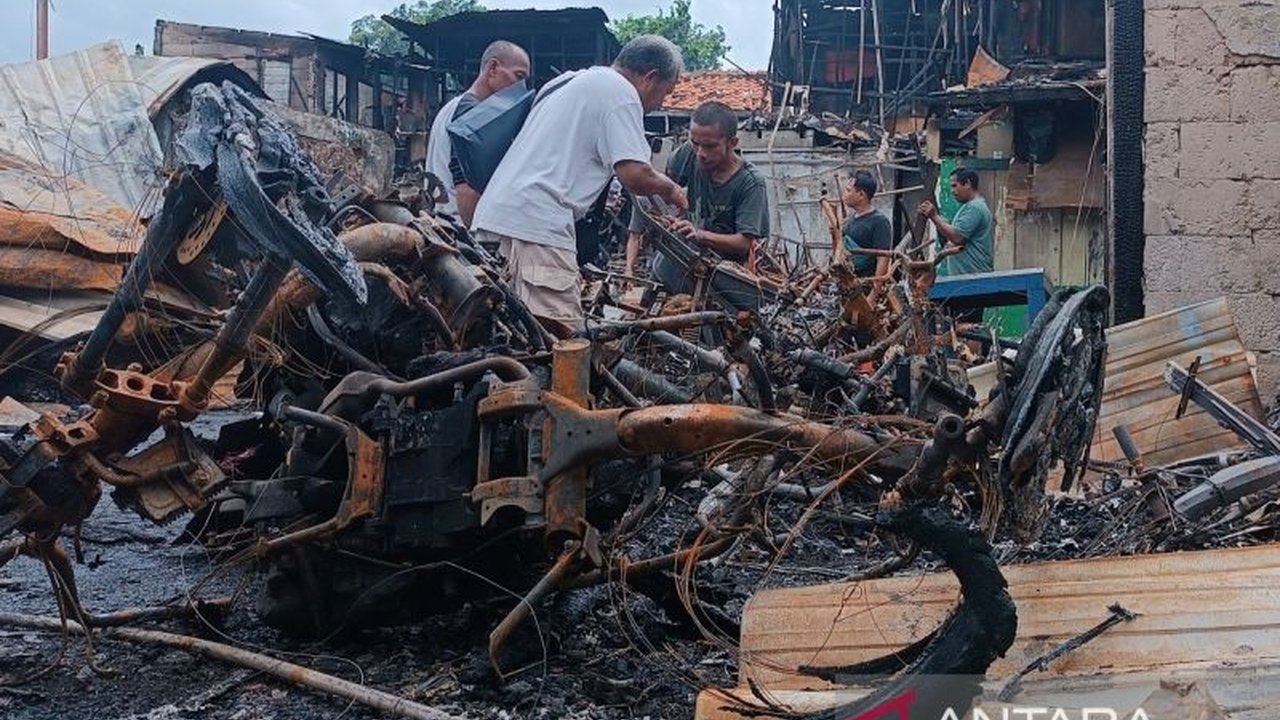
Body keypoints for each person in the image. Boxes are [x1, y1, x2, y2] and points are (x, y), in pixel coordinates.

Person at [471, 35, 689, 334]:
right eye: (666, 92)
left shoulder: (566, 83)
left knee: (509, 339)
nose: (662, 102)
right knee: (561, 347)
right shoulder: (621, 93)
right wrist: (672, 189)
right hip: (536, 230)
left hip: (494, 221)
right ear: (650, 77)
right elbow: (635, 173)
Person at [624, 101, 770, 308]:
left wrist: (700, 235)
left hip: (720, 281)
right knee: (650, 321)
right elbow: (663, 188)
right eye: (695, 143)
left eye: (710, 146)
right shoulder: (688, 154)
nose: (700, 153)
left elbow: (744, 243)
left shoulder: (751, 183)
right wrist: (662, 213)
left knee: (705, 334)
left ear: (732, 142)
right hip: (674, 266)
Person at [425, 40, 530, 223]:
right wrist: (476, 241)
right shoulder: (473, 113)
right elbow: (467, 189)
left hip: (440, 220)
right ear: (493, 68)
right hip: (458, 228)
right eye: (519, 76)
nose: (522, 87)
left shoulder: (453, 107)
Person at [918, 167, 994, 277]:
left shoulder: (974, 207)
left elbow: (957, 237)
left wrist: (934, 216)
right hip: (968, 278)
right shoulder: (970, 207)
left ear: (967, 183)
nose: (952, 191)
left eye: (955, 186)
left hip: (973, 279)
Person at [840, 170, 892, 280]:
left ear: (861, 195)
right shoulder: (850, 220)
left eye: (848, 190)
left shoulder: (879, 222)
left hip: (866, 285)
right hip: (848, 283)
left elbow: (883, 259)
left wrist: (875, 291)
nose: (844, 194)